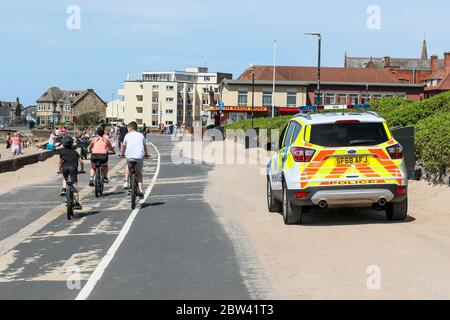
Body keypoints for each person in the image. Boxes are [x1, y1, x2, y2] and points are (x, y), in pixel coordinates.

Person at [121, 121, 149, 198]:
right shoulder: (141, 135)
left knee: (128, 166)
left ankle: (126, 182)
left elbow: (123, 147)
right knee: (139, 173)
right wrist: (146, 154)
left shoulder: (127, 135)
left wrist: (122, 154)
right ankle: (140, 189)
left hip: (129, 156)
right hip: (139, 157)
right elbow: (144, 147)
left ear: (130, 128)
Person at [59, 136, 84, 211]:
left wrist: (59, 169)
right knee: (75, 186)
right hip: (73, 169)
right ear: (72, 144)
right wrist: (81, 169)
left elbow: (60, 162)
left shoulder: (62, 152)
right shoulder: (75, 152)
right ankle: (77, 203)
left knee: (65, 178)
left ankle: (63, 189)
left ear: (63, 144)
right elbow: (81, 162)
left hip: (65, 168)